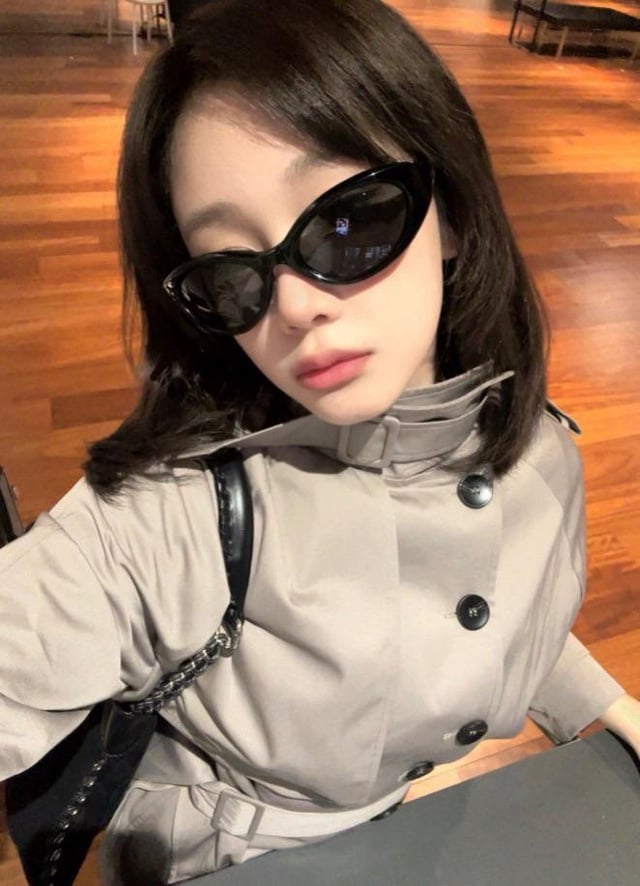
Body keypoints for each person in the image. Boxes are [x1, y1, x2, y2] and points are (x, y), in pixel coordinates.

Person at [1, 0, 639, 882]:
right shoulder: (180, 510)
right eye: (233, 273)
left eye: (347, 222)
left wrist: (604, 706)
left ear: (452, 211)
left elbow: (478, 609)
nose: (296, 306)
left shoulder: (536, 449)